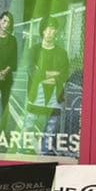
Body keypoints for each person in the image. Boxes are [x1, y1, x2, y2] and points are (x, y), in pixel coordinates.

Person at [24, 16, 70, 153]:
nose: (49, 32)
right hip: (36, 94)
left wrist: (42, 75)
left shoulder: (62, 53)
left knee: (51, 128)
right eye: (47, 29)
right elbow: (31, 71)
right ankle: (28, 149)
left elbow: (64, 74)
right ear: (42, 31)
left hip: (55, 96)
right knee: (29, 124)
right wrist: (52, 75)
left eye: (52, 29)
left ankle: (44, 153)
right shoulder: (34, 50)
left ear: (56, 31)